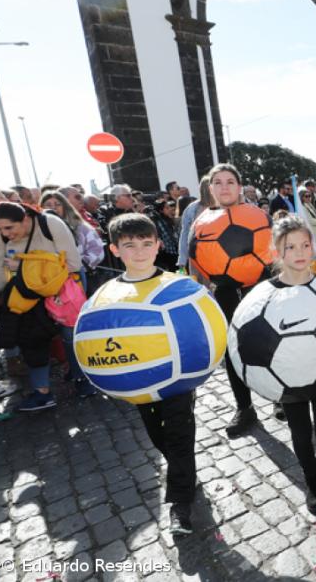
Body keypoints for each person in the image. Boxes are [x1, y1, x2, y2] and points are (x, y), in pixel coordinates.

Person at [99, 213, 201, 535]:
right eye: (129, 245)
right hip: (139, 380)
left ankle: (180, 504)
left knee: (178, 435)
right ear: (114, 249)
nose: (140, 252)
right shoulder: (109, 295)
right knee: (158, 435)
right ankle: (183, 470)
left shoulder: (177, 286)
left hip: (178, 378)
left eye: (146, 243)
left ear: (158, 245)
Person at [262, 216, 316, 526]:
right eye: (290, 247)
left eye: (305, 244)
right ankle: (313, 485)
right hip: (287, 379)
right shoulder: (265, 297)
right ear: (277, 252)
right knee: (300, 434)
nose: (300, 252)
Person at [201, 164, 271, 435]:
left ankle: (280, 396)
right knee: (233, 349)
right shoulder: (202, 221)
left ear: (239, 186)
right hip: (225, 290)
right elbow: (196, 260)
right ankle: (244, 408)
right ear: (211, 189)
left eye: (230, 181)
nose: (225, 186)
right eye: (218, 182)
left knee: (269, 341)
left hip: (260, 286)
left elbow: (274, 249)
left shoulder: (258, 215)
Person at [0, 201, 82, 411]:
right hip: (30, 295)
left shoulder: (50, 224)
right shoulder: (0, 235)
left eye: (9, 228)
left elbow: (73, 264)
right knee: (33, 340)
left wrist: (25, 265)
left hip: (64, 288)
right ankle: (42, 392)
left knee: (71, 336)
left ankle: (83, 379)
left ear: (24, 219)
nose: (5, 234)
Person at [176, 174, 212, 274]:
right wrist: (182, 261)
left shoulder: (225, 207)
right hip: (198, 258)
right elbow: (185, 236)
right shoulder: (192, 209)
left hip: (222, 256)